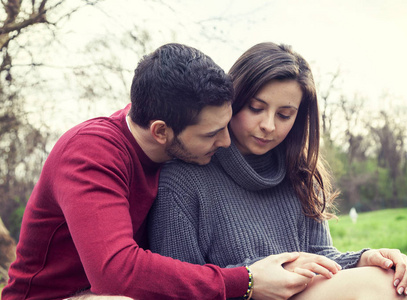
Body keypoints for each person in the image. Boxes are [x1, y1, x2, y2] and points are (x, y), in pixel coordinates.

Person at [2, 43, 313, 300]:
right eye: (211, 134)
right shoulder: (90, 152)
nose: (226, 141)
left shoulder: (177, 151)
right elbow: (115, 273)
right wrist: (245, 281)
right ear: (161, 131)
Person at [147, 42, 407, 299]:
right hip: (244, 295)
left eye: (284, 114)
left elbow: (321, 256)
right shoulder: (182, 178)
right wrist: (270, 272)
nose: (269, 125)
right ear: (231, 101)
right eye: (256, 108)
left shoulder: (298, 175)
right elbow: (180, 282)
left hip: (304, 290)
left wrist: (364, 259)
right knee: (374, 288)